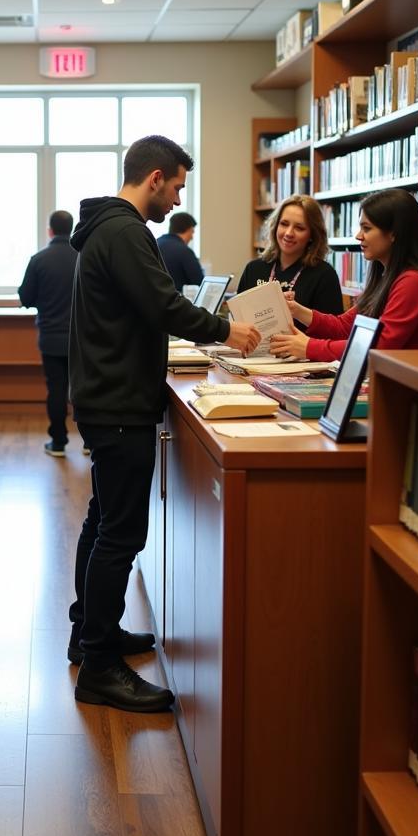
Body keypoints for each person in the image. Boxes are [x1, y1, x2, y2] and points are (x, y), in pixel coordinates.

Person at [67, 134, 261, 712]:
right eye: (176, 184)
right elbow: (163, 305)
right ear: (154, 177)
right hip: (119, 401)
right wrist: (228, 331)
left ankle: (90, 633)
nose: (178, 197)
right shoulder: (126, 231)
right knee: (121, 534)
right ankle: (100, 665)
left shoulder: (110, 228)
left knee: (104, 521)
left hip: (108, 396)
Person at [270, 188, 418, 361]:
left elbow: (380, 346)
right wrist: (295, 309)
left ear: (393, 234)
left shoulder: (413, 282)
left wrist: (309, 347)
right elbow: (344, 327)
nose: (359, 236)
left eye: (367, 228)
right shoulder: (386, 279)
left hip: (405, 390)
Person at [18, 209, 79, 458]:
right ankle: (88, 442)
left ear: (50, 230)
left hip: (51, 336)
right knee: (82, 389)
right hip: (80, 339)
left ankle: (58, 442)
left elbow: (25, 297)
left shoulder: (39, 259)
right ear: (72, 228)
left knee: (56, 388)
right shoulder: (83, 257)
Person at [237, 194, 344, 320]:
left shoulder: (325, 276)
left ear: (312, 235)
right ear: (275, 226)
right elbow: (238, 318)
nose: (288, 233)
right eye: (284, 224)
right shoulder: (253, 269)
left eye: (299, 228)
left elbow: (332, 332)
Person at [155, 211, 204, 292]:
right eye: (192, 232)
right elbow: (199, 282)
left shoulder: (155, 243)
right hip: (175, 300)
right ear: (188, 229)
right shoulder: (184, 251)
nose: (192, 237)